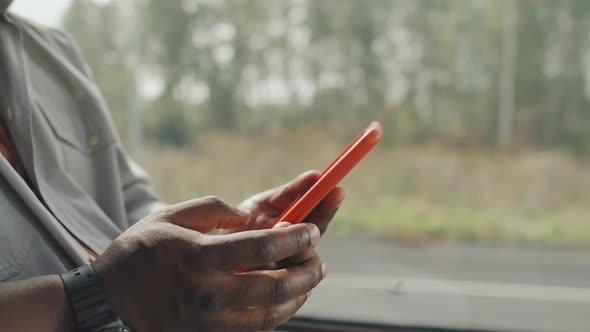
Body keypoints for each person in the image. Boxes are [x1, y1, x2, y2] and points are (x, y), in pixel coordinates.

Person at [0, 1, 346, 331]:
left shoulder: (53, 53)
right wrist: (98, 297)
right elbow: (124, 285)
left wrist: (213, 251)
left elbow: (128, 205)